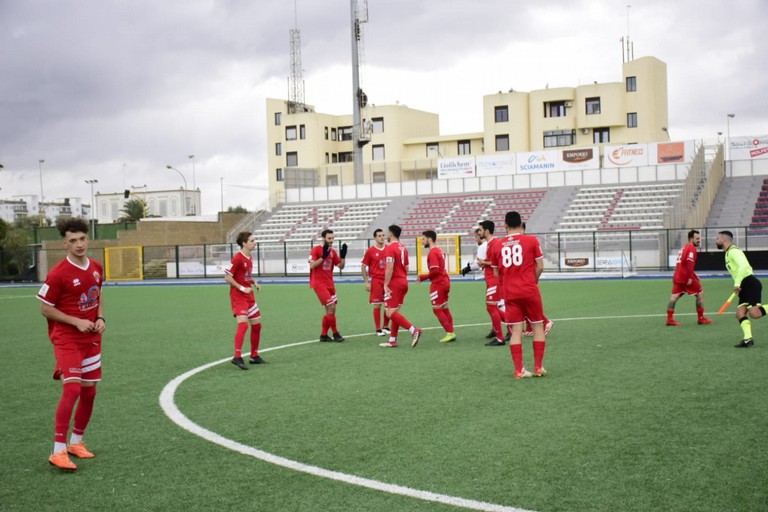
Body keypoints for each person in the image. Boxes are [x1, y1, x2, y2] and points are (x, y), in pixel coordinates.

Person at [37, 218, 106, 471]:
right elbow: (44, 308)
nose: (79, 244)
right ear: (64, 242)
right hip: (67, 339)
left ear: (88, 239)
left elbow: (98, 296)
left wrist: (99, 317)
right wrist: (75, 321)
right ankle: (58, 450)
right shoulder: (58, 273)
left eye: (82, 239)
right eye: (73, 240)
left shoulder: (96, 267)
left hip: (92, 338)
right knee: (72, 390)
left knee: (89, 391)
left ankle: (76, 442)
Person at [492, 211, 547, 379]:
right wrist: (533, 281)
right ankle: (538, 367)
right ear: (521, 224)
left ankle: (519, 370)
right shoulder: (531, 240)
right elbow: (540, 266)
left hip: (510, 292)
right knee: (537, 326)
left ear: (505, 225)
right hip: (529, 289)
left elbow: (496, 273)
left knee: (516, 330)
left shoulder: (498, 245)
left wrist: (509, 281)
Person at [715, 230, 765, 347]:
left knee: (755, 314)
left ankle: (748, 339)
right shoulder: (728, 253)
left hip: (750, 283)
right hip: (744, 286)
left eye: (717, 238)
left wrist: (737, 283)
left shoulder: (733, 251)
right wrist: (739, 284)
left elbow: (744, 266)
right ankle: (748, 339)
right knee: (740, 313)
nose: (715, 241)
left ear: (723, 239)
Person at [224, 232, 265, 370]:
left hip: (249, 296)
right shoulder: (237, 258)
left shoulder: (250, 257)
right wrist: (242, 288)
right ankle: (237, 357)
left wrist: (254, 282)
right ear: (244, 243)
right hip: (239, 296)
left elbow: (246, 275)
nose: (255, 242)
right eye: (252, 240)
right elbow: (227, 277)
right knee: (243, 325)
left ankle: (254, 355)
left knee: (257, 325)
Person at [379, 224, 422, 348]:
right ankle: (392, 340)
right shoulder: (403, 248)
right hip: (403, 281)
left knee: (389, 313)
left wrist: (386, 284)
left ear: (391, 233)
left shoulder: (390, 248)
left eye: (387, 233)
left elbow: (390, 266)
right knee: (395, 312)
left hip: (395, 283)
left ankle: (414, 330)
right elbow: (407, 267)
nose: (387, 235)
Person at [666, 229, 712, 326]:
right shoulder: (691, 248)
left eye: (699, 238)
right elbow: (689, 262)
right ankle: (701, 318)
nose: (699, 240)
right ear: (691, 238)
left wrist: (694, 275)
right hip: (686, 277)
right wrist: (691, 277)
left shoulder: (684, 248)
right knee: (700, 294)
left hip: (678, 276)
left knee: (673, 297)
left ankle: (669, 319)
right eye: (697, 238)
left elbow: (682, 264)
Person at [309, 229, 347, 342]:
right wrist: (322, 257)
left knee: (330, 310)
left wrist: (343, 256)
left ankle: (324, 335)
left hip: (330, 283)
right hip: (319, 283)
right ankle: (335, 333)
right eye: (329, 238)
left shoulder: (332, 251)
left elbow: (341, 266)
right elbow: (312, 266)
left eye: (333, 238)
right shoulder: (316, 249)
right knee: (331, 307)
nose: (331, 240)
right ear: (323, 238)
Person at [417, 230, 455, 343]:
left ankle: (450, 332)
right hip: (445, 281)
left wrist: (422, 277)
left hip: (438, 284)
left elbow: (435, 271)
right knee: (444, 307)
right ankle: (451, 331)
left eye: (423, 239)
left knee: (437, 309)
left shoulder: (433, 252)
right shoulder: (439, 250)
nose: (422, 242)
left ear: (429, 239)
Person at [475, 220, 506, 346]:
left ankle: (500, 338)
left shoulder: (495, 243)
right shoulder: (490, 244)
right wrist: (484, 261)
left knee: (491, 307)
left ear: (487, 231)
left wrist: (483, 262)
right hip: (491, 279)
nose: (480, 232)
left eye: (481, 230)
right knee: (492, 307)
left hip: (494, 280)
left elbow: (499, 263)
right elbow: (492, 261)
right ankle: (512, 326)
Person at [520, 222, 554, 337]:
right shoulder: (519, 241)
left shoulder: (528, 241)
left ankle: (546, 322)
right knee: (525, 304)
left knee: (528, 304)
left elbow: (538, 263)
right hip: (523, 279)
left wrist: (533, 279)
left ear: (523, 229)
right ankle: (530, 327)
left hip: (528, 278)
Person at [361, 228, 390, 336]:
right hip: (377, 280)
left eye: (383, 235)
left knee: (389, 304)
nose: (382, 237)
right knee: (377, 304)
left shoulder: (389, 249)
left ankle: (386, 326)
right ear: (375, 238)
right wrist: (366, 282)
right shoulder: (370, 251)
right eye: (379, 235)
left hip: (388, 280)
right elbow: (363, 266)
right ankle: (378, 329)